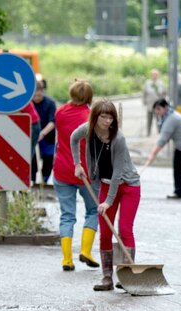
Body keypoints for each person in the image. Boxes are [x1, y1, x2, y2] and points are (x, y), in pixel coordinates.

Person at [70, 100, 141, 291]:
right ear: (95, 117)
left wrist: (108, 202)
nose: (107, 121)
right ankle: (107, 277)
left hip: (128, 186)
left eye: (111, 117)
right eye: (103, 116)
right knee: (105, 232)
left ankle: (127, 275)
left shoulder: (118, 138)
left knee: (124, 229)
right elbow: (73, 138)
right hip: (105, 185)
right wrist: (77, 164)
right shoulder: (88, 130)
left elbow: (117, 173)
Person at [53, 80, 99, 272]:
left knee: (67, 215)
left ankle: (66, 259)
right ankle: (86, 251)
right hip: (85, 172)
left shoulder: (60, 112)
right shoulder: (90, 117)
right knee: (94, 210)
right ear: (89, 97)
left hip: (62, 170)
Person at [32, 80, 57, 184]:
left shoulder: (50, 103)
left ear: (43, 91)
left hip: (47, 135)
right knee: (32, 160)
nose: (37, 98)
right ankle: (31, 180)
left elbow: (53, 121)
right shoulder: (28, 103)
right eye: (35, 96)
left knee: (48, 159)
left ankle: (44, 181)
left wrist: (42, 133)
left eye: (39, 96)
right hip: (32, 135)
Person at [142, 69, 166, 136]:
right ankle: (148, 133)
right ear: (151, 75)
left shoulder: (161, 83)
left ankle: (160, 132)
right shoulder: (147, 83)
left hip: (158, 105)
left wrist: (163, 102)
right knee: (149, 119)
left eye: (156, 75)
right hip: (150, 104)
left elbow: (164, 93)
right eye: (153, 75)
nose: (154, 76)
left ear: (158, 76)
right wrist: (144, 101)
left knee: (159, 119)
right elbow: (144, 93)